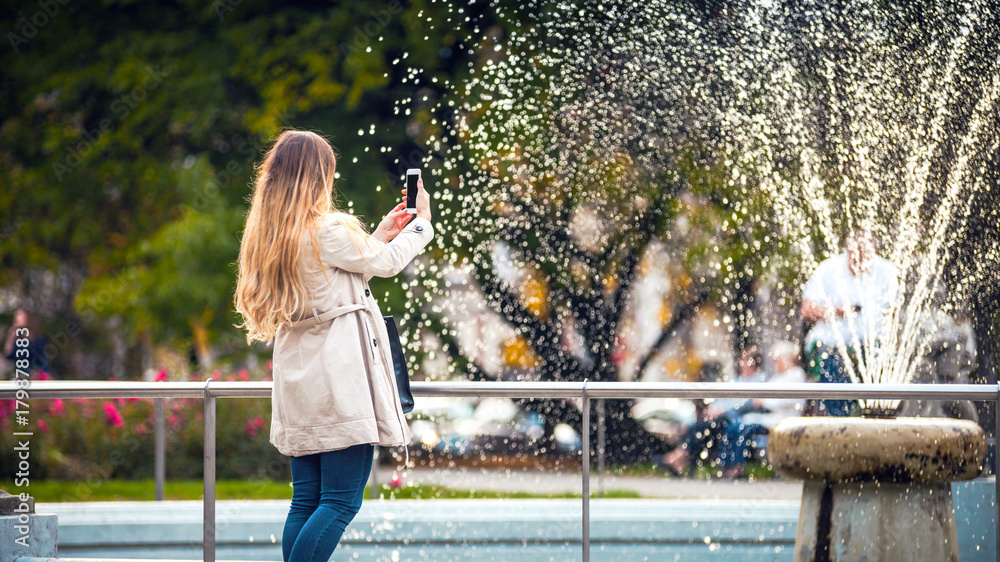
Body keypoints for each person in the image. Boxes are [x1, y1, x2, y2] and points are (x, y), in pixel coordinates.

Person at [233, 129, 434, 561]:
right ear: (315, 176)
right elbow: (387, 264)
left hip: (299, 378)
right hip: (339, 379)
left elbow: (346, 268)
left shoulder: (270, 237)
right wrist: (421, 225)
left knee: (306, 501)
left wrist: (379, 233)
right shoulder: (327, 230)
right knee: (341, 501)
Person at [801, 229, 898, 416]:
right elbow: (807, 310)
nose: (861, 259)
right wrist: (836, 311)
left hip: (871, 347)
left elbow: (893, 313)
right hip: (831, 347)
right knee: (835, 378)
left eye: (866, 254)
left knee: (877, 390)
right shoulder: (828, 269)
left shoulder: (886, 271)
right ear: (848, 251)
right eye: (856, 253)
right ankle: (837, 422)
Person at [661, 349, 768, 475]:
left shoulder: (758, 380)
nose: (741, 363)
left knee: (704, 427)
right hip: (721, 417)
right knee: (699, 426)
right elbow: (722, 397)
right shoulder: (737, 380)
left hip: (733, 418)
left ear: (753, 363)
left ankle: (680, 457)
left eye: (745, 361)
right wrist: (713, 408)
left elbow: (745, 403)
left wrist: (722, 410)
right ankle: (681, 457)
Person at [718, 341, 807, 477]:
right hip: (768, 416)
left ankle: (737, 467)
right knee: (734, 427)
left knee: (744, 429)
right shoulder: (778, 377)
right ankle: (726, 465)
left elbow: (786, 400)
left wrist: (765, 402)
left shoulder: (796, 375)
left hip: (782, 418)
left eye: (777, 360)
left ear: (787, 358)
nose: (775, 364)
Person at [4, 306, 49, 376]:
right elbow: (8, 355)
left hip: (36, 373)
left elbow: (40, 359)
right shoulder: (16, 337)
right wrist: (11, 336)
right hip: (20, 374)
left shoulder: (36, 337)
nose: (17, 318)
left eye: (20, 315)